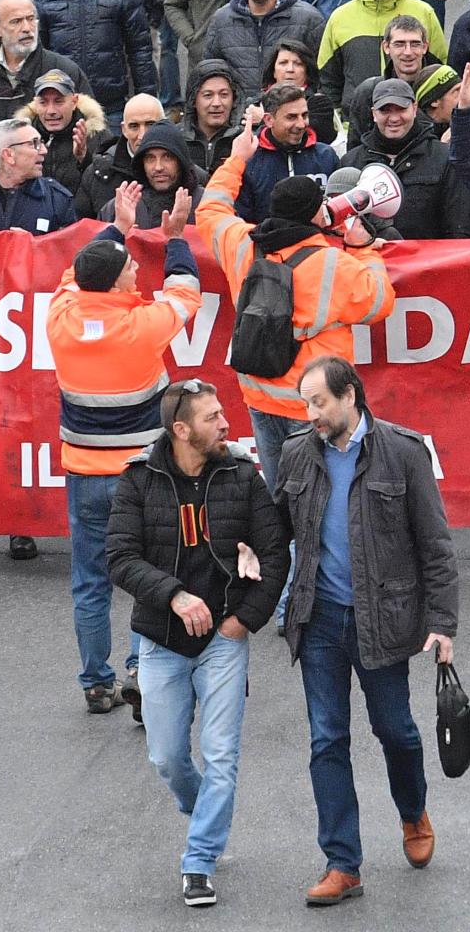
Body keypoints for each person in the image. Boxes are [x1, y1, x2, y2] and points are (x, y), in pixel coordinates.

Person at [278, 356, 458, 905]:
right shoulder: (295, 453)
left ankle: (413, 812)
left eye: (320, 403)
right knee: (326, 739)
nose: (312, 414)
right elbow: (275, 529)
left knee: (396, 730)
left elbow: (436, 544)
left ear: (351, 395)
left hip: (384, 620)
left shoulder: (403, 453)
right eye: (306, 404)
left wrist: (443, 623)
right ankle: (342, 863)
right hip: (320, 620)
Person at [108, 377, 291, 908]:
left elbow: (275, 552)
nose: (226, 423)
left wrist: (245, 620)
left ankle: (199, 859)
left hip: (224, 640)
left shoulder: (242, 476)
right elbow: (120, 557)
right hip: (162, 640)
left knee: (221, 755)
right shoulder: (140, 480)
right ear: (181, 429)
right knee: (167, 756)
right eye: (213, 417)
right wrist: (174, 596)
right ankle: (202, 810)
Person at [49, 215, 207, 713]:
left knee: (91, 582)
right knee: (155, 573)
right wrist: (176, 236)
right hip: (143, 478)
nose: (137, 271)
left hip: (85, 476)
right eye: (130, 268)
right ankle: (143, 670)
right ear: (117, 281)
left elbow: (70, 276)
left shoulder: (61, 317)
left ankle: (97, 684)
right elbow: (186, 291)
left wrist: (115, 227)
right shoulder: (143, 324)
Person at [199, 128, 395, 475]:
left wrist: (237, 160)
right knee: (321, 496)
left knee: (280, 496)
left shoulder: (243, 244)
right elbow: (380, 302)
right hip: (314, 405)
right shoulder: (335, 265)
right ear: (313, 216)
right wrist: (365, 252)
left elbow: (211, 209)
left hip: (259, 397)